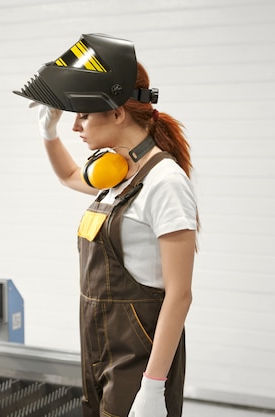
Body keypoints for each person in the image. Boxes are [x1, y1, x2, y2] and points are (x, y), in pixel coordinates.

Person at [14, 34, 198, 417]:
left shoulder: (165, 182)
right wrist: (47, 132)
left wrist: (152, 385)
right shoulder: (115, 173)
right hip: (98, 346)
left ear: (117, 113)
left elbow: (179, 295)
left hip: (138, 357)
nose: (76, 127)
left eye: (83, 114)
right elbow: (67, 175)